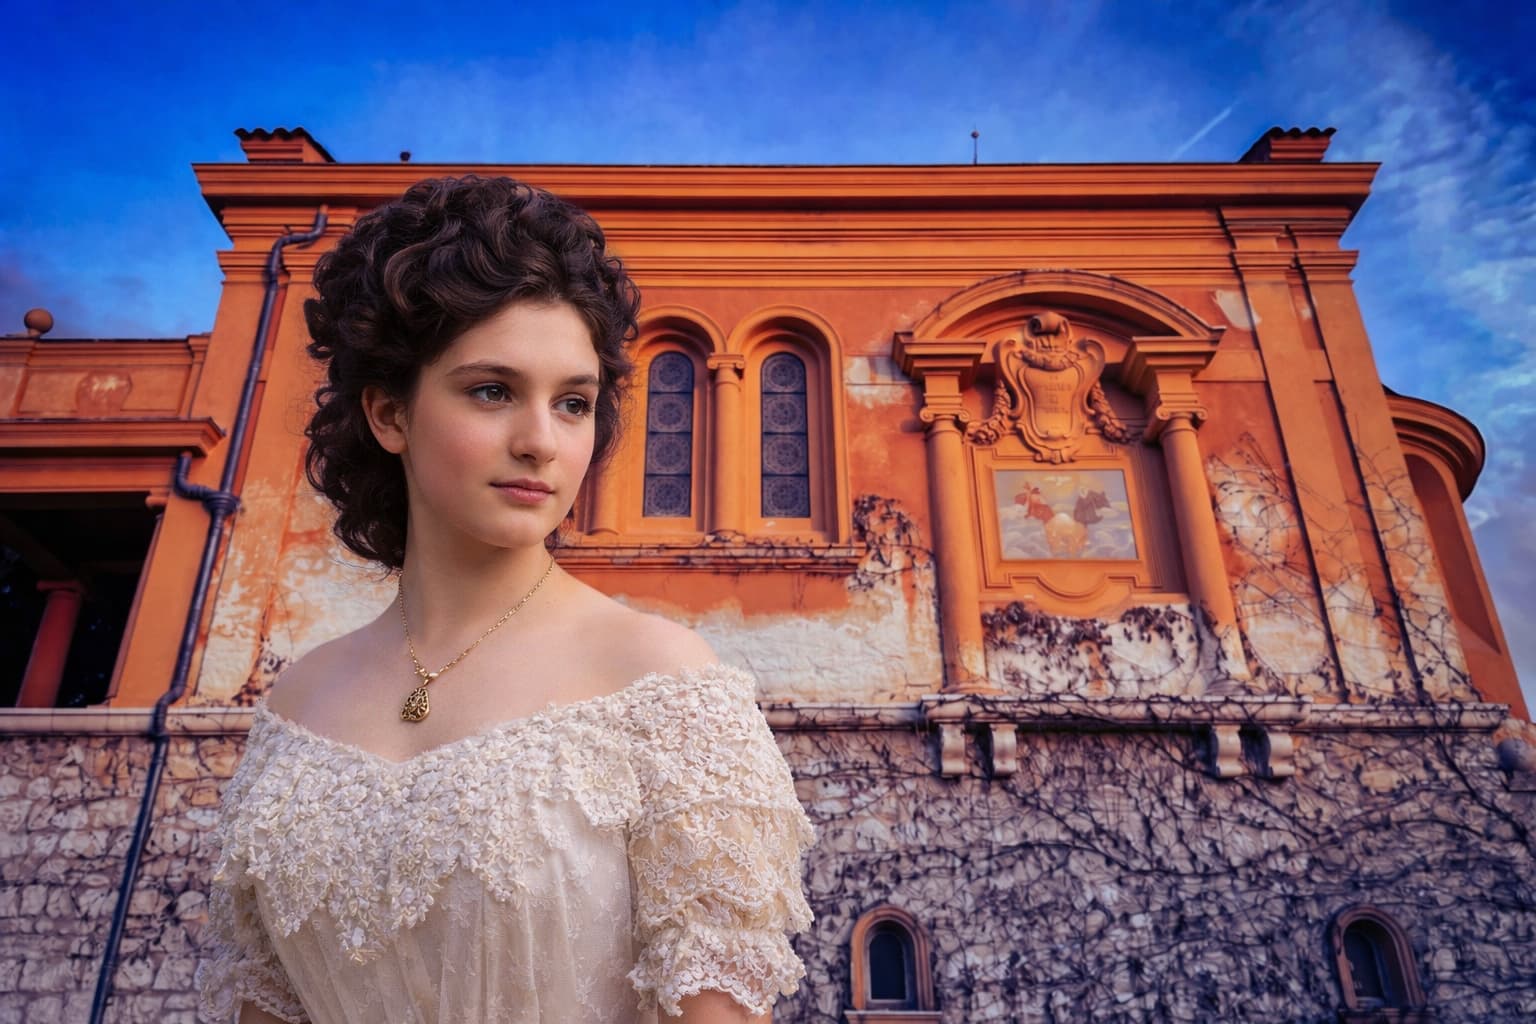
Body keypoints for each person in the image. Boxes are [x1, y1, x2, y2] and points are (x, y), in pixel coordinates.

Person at [196, 176, 816, 1024]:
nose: (540, 443)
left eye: (573, 403)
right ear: (388, 412)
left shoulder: (662, 683)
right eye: (492, 391)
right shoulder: (299, 700)